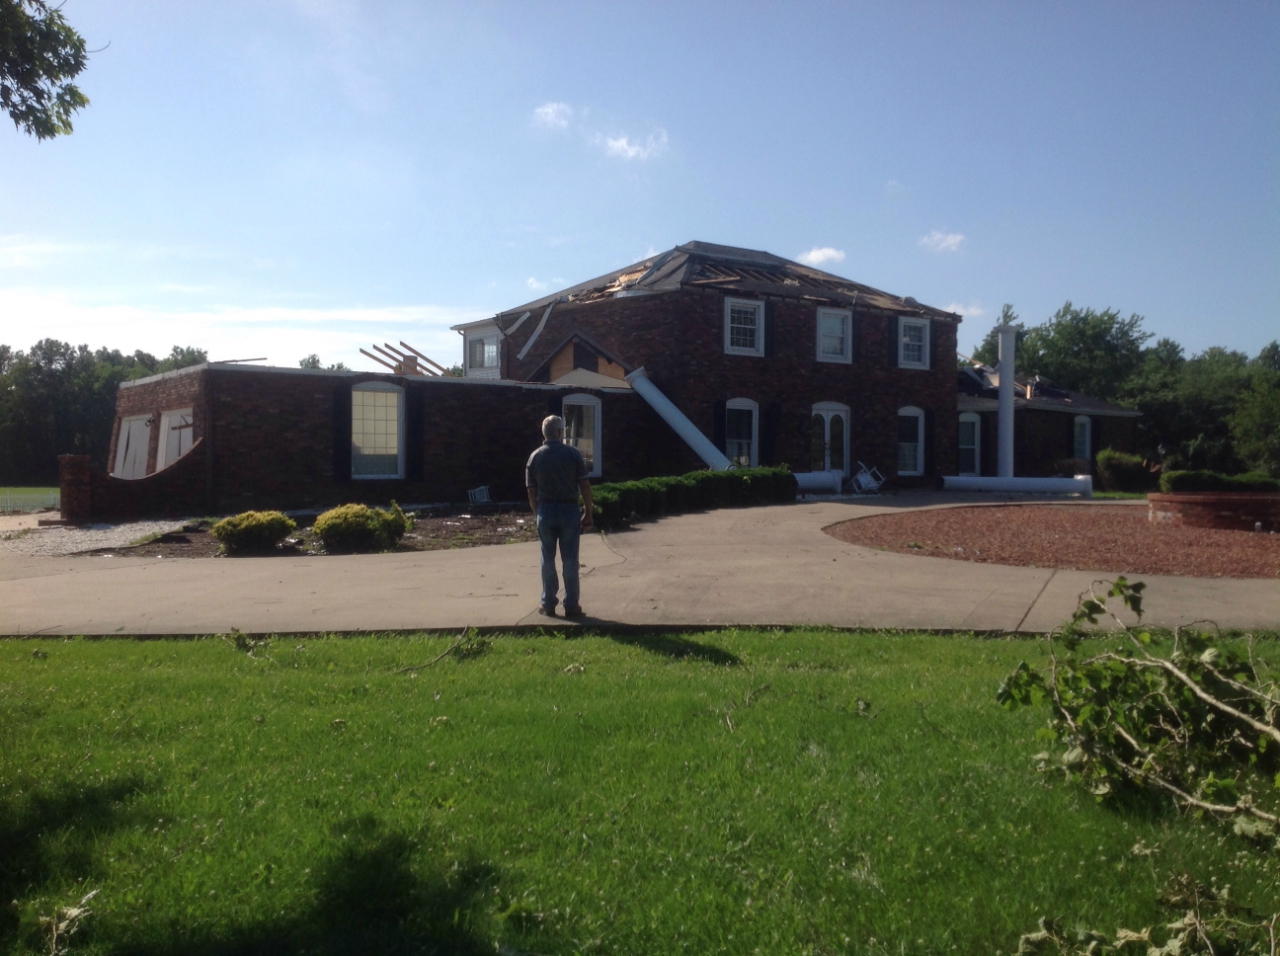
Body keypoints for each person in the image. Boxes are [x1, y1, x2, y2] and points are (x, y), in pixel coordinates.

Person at [525, 414, 594, 617]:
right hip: (569, 509)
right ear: (560, 432)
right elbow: (584, 485)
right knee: (570, 559)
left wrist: (537, 513)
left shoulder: (535, 457)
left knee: (547, 556)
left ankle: (548, 603)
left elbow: (531, 490)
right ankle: (571, 604)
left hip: (545, 510)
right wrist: (588, 511)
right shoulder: (573, 454)